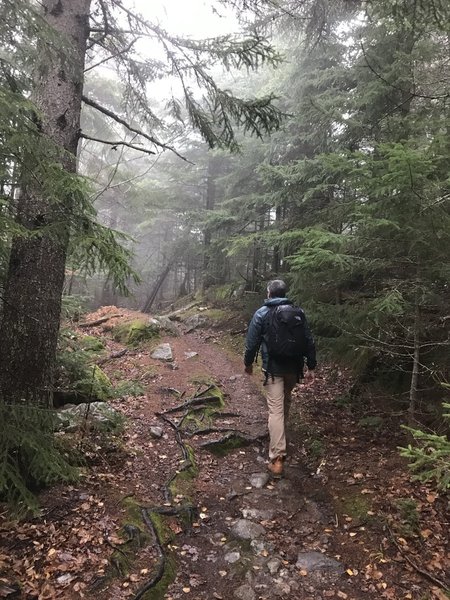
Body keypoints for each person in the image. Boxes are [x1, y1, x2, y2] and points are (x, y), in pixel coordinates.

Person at [244, 279, 316, 477]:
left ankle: (277, 458)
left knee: (275, 409)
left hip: (273, 368)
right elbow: (309, 340)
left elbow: (251, 343)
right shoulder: (298, 312)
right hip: (294, 368)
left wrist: (248, 363)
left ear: (270, 293)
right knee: (285, 401)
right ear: (284, 293)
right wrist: (311, 366)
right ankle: (280, 437)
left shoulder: (262, 313)